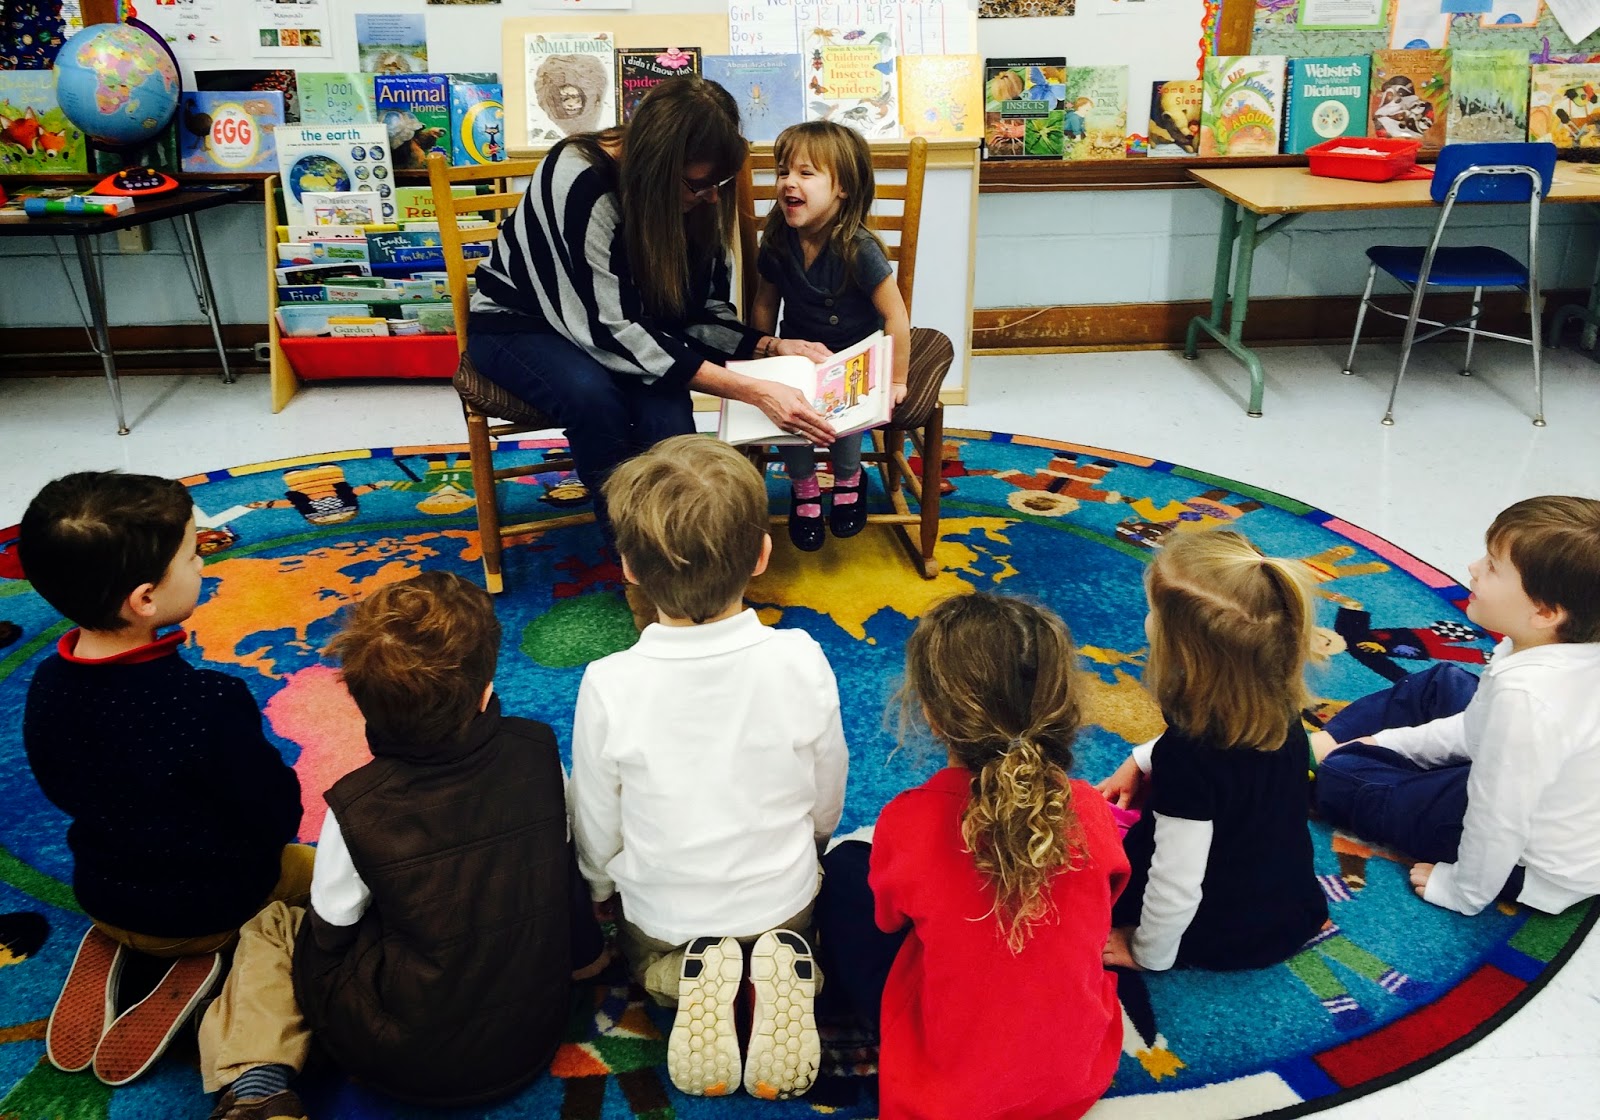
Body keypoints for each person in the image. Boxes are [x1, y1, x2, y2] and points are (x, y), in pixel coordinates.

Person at [197, 571, 605, 1120]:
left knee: (273, 924)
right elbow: (561, 866)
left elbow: (331, 931)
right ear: (486, 692)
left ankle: (259, 1083)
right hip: (534, 1036)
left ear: (361, 704)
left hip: (401, 1058)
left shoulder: (357, 806)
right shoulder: (539, 751)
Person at [569, 434, 848, 1101]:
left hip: (668, 916)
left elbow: (598, 817)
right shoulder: (801, 657)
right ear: (762, 555)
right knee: (808, 915)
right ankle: (794, 975)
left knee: (647, 955)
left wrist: (598, 885)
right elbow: (827, 785)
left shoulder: (609, 682)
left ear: (628, 568)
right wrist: (815, 839)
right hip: (782, 903)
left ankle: (676, 980)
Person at [17, 472, 305, 1086]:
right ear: (145, 599)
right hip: (216, 903)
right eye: (194, 555)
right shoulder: (206, 701)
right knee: (328, 869)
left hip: (102, 890)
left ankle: (131, 941)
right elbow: (274, 813)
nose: (202, 563)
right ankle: (208, 955)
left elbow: (56, 785)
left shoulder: (46, 685)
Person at [468, 77, 834, 542]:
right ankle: (633, 551)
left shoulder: (696, 197)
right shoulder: (578, 178)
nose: (713, 197)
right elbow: (610, 330)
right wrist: (752, 389)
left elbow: (699, 313)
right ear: (659, 166)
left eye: (719, 183)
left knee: (670, 420)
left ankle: (681, 542)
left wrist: (769, 346)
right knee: (594, 399)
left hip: (628, 330)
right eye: (700, 185)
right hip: (520, 326)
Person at [813, 592, 1128, 1120]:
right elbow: (1103, 901)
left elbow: (887, 921)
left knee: (844, 873)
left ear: (933, 717)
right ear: (1061, 706)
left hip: (948, 1095)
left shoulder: (911, 819)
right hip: (1075, 1081)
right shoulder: (1091, 810)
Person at [1311, 496, 1600, 917]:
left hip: (1526, 859)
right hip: (1535, 782)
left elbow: (1497, 820)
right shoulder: (1553, 648)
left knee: (1343, 776)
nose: (1473, 567)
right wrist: (1390, 742)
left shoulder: (1526, 701)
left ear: (1544, 612)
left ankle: (1321, 763)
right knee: (1440, 684)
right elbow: (1475, 727)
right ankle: (1323, 744)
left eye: (1493, 567)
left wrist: (1462, 891)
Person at [1098, 529, 1328, 972]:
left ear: (1181, 649)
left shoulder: (1188, 760)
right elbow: (1230, 768)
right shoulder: (1273, 703)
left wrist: (1146, 952)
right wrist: (1141, 759)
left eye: (1154, 612)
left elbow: (1175, 883)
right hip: (1289, 901)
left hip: (1225, 928)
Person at [751, 121, 910, 551]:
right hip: (797, 356)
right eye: (783, 172)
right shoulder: (778, 241)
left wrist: (897, 379)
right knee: (790, 413)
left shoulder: (858, 247)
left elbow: (895, 315)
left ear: (843, 188)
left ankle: (849, 478)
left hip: (855, 358)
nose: (789, 182)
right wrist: (759, 360)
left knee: (846, 419)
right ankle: (804, 487)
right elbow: (765, 303)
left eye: (805, 173)